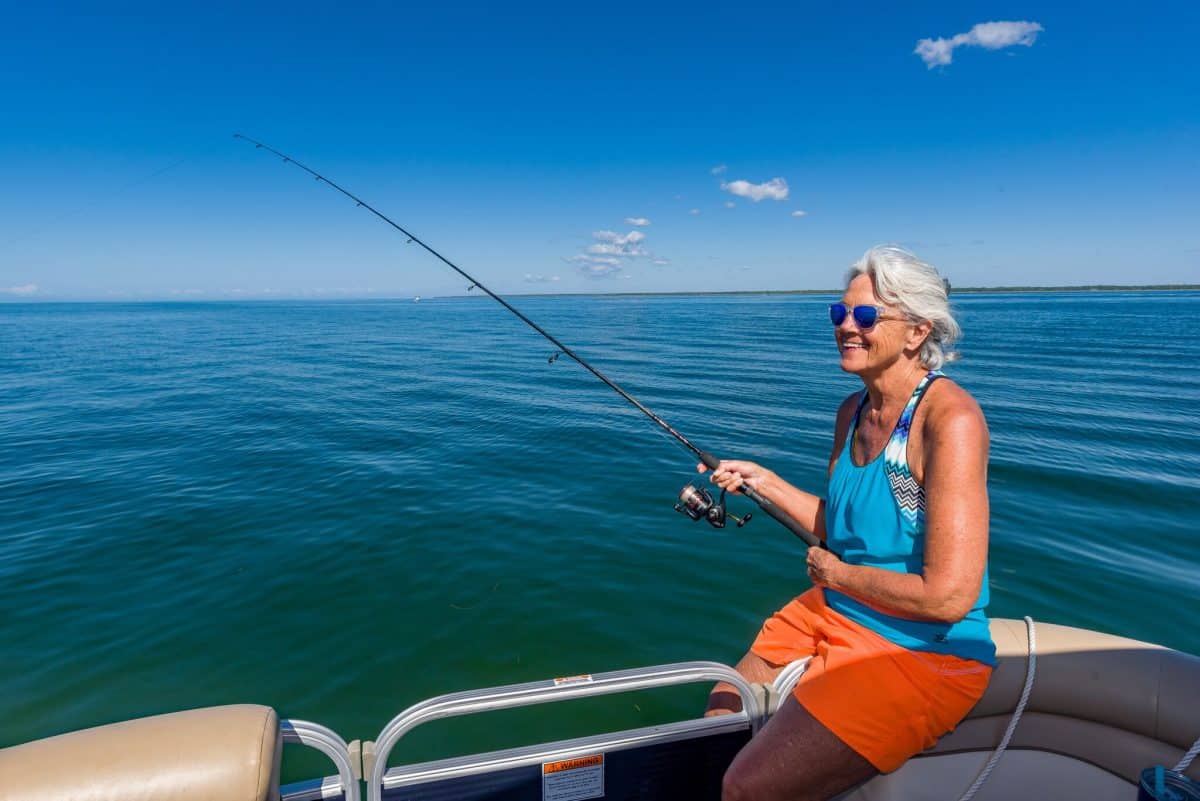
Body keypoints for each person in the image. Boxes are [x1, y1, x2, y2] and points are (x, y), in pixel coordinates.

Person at [701, 246, 996, 801]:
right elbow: (841, 529)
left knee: (747, 787)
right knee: (723, 705)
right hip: (837, 609)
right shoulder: (852, 411)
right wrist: (761, 479)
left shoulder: (950, 421)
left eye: (864, 317)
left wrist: (837, 577)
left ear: (916, 332)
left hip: (919, 649)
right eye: (839, 314)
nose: (845, 328)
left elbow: (949, 596)